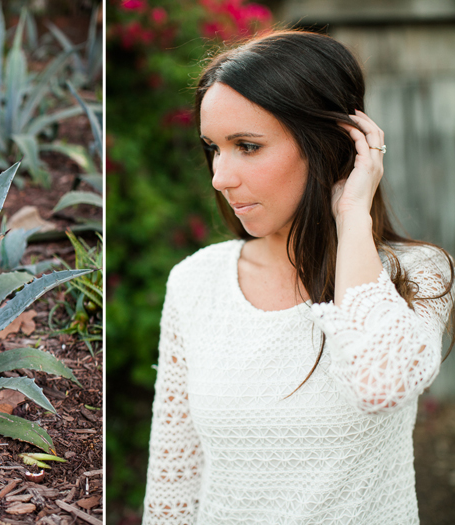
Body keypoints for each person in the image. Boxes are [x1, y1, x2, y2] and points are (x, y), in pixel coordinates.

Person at [142, 30, 454, 524]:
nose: (220, 176)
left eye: (247, 145)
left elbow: (380, 384)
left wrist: (352, 217)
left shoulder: (416, 275)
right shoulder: (195, 283)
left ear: (329, 144)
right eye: (214, 148)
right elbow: (173, 480)